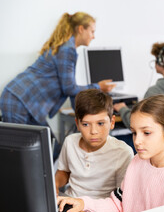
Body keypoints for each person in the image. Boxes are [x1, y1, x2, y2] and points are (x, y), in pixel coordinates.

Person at [58, 94, 164, 212]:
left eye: (146, 133)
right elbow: (118, 206)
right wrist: (84, 203)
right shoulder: (137, 162)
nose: (137, 141)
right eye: (134, 132)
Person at [0, 12, 116, 161]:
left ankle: (51, 184)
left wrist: (84, 113)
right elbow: (69, 88)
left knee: (52, 148)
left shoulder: (66, 48)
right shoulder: (67, 50)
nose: (93, 36)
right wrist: (97, 87)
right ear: (81, 29)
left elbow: (70, 89)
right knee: (18, 155)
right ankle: (38, 184)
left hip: (26, 103)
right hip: (18, 100)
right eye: (92, 31)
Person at [55, 89, 133, 199]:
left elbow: (121, 197)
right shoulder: (70, 141)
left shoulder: (123, 152)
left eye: (100, 123)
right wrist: (55, 183)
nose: (94, 131)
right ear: (77, 123)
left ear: (112, 122)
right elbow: (64, 172)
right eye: (86, 124)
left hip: (100, 209)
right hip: (70, 201)